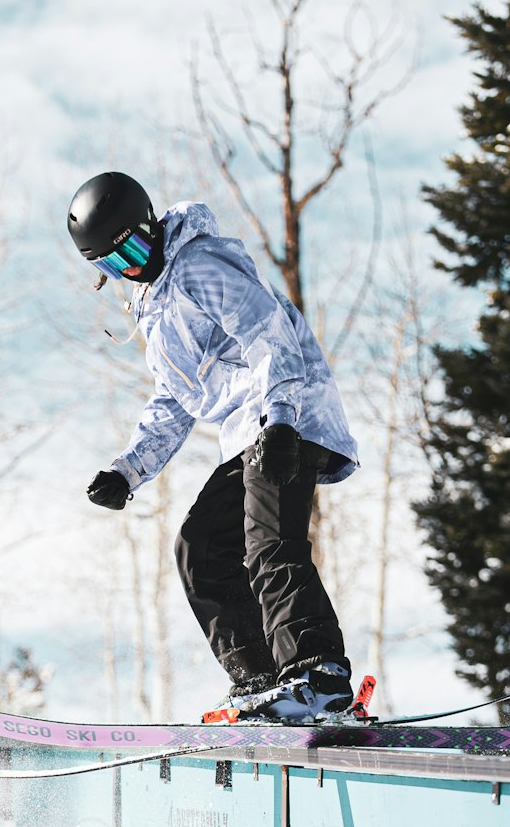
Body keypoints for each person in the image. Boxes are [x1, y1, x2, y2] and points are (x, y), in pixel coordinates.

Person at [68, 170, 360, 722]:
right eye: (110, 264)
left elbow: (267, 332)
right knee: (199, 547)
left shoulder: (199, 266)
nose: (128, 266)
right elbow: (175, 400)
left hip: (288, 416)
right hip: (252, 432)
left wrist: (280, 419)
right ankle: (259, 681)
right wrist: (127, 471)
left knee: (268, 542)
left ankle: (318, 675)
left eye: (129, 248)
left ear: (149, 228)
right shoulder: (154, 309)